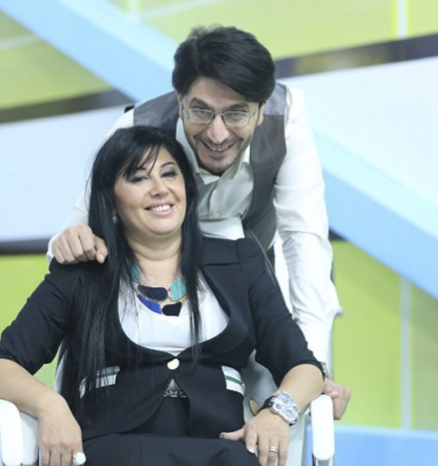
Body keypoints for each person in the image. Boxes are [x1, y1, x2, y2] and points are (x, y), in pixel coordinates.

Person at [49, 26, 350, 423]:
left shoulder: (286, 117)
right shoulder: (135, 129)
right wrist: (72, 241)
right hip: (150, 283)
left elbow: (303, 238)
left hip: (252, 273)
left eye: (236, 113)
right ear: (180, 100)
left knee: (288, 395)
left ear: (261, 110)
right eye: (201, 111)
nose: (217, 133)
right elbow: (75, 232)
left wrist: (312, 367)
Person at [0, 126, 324, 466]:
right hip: (114, 453)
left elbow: (303, 366)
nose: (160, 189)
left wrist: (277, 413)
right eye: (138, 178)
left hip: (221, 451)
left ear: (186, 189)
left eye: (169, 174)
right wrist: (50, 406)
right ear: (111, 203)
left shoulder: (240, 262)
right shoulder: (82, 272)